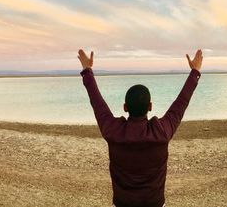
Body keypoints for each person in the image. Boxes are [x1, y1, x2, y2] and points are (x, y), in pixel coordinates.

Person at [78, 49, 203, 207]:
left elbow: (97, 102)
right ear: (150, 107)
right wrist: (195, 72)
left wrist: (87, 70)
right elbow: (181, 103)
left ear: (125, 107)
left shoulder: (113, 131)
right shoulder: (162, 132)